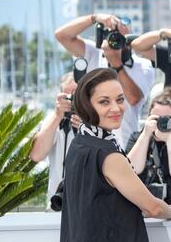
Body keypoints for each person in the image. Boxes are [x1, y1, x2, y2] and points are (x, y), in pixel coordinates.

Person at [59, 68, 171, 242]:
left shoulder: (80, 143)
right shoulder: (107, 154)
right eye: (104, 102)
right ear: (87, 105)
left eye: (120, 99)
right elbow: (153, 208)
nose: (116, 108)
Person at [55, 13, 155, 148]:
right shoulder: (94, 53)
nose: (116, 41)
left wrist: (116, 64)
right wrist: (93, 18)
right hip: (93, 146)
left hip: (125, 146)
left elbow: (134, 99)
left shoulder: (143, 65)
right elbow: (61, 36)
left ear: (129, 36)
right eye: (112, 35)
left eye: (120, 35)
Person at [29, 73, 82, 209]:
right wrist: (58, 116)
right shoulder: (53, 120)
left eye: (77, 96)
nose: (72, 102)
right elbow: (36, 155)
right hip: (58, 203)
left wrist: (87, 127)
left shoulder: (96, 121)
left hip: (88, 205)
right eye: (68, 97)